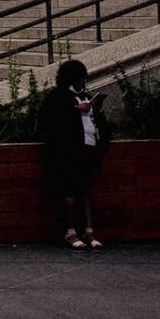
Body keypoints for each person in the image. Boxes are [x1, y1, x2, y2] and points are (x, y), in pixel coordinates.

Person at [37, 58, 112, 249]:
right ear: (70, 79)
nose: (83, 83)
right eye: (80, 79)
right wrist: (76, 110)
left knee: (85, 193)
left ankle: (88, 231)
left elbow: (100, 124)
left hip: (87, 150)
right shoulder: (57, 97)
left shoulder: (85, 96)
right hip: (67, 153)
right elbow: (48, 120)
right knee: (69, 192)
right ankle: (70, 232)